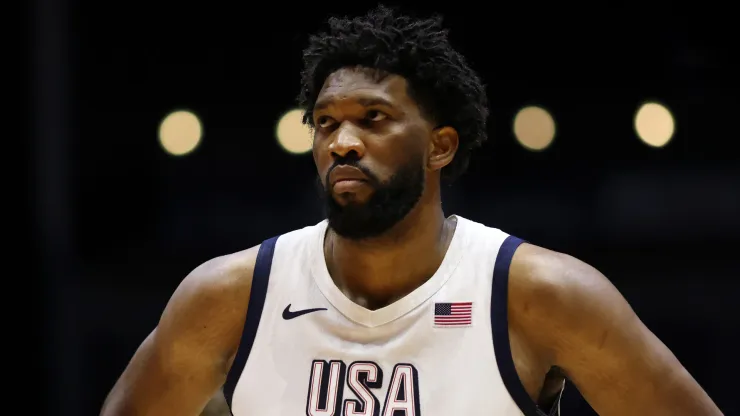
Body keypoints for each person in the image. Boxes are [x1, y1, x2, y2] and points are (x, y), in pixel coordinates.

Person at [100, 5, 722, 416]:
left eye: (373, 119)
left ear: (440, 146)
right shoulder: (228, 298)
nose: (342, 142)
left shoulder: (541, 293)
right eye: (324, 124)